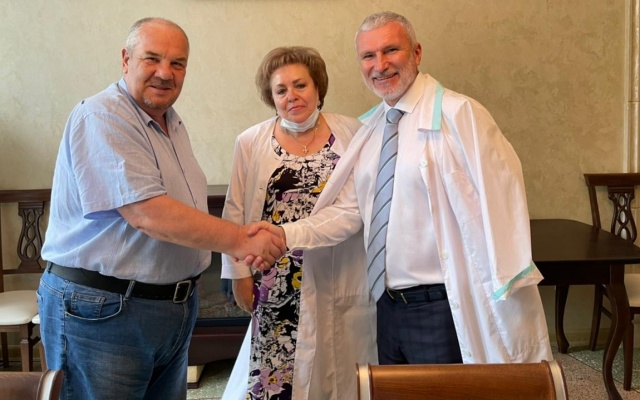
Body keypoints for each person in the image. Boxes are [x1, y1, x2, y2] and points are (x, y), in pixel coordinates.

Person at [258, 11, 553, 365]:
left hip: (441, 308)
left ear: (416, 52)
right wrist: (284, 234)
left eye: (390, 50)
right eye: (368, 56)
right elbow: (350, 211)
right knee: (391, 390)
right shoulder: (370, 130)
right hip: (385, 308)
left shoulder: (460, 115)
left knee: (445, 391)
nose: (380, 65)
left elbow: (503, 195)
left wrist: (508, 278)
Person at [38, 18, 284, 400]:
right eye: (152, 58)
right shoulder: (103, 115)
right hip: (105, 312)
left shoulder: (171, 123)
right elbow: (149, 213)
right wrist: (240, 239)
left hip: (169, 310)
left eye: (177, 63)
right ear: (126, 59)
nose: (165, 73)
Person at [221, 46, 376, 400]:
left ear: (318, 87)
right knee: (276, 373)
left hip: (337, 269)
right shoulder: (250, 141)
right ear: (271, 98)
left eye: (300, 85)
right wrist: (239, 275)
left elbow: (358, 207)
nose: (292, 96)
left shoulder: (353, 133)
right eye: (281, 90)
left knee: (337, 367)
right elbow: (235, 210)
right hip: (275, 278)